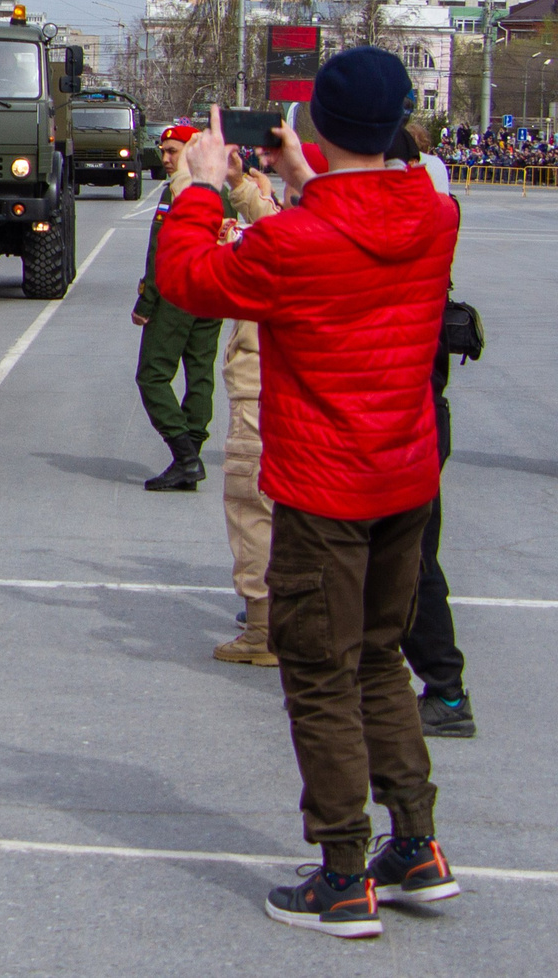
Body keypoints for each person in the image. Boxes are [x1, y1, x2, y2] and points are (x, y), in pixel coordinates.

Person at [158, 49, 462, 938]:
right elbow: (364, 224)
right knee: (378, 658)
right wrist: (307, 180)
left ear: (320, 124)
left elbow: (190, 280)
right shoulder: (436, 214)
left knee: (320, 676)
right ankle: (416, 843)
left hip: (325, 485)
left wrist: (200, 189)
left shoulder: (294, 243)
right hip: (403, 473)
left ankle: (340, 870)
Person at [391, 121, 473, 740]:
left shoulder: (419, 230)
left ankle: (445, 691)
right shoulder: (428, 223)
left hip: (407, 425)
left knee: (412, 559)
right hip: (407, 419)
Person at [132, 123, 229, 491]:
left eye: (174, 150)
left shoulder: (181, 191)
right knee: (200, 372)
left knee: (152, 375)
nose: (166, 158)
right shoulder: (216, 187)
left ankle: (185, 455)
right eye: (163, 150)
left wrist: (147, 300)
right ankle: (190, 456)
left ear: (192, 149)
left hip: (177, 296)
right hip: (212, 292)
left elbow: (163, 251)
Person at [214, 160, 283, 667]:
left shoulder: (284, 240)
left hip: (258, 388)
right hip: (293, 393)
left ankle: (263, 629)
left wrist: (228, 186)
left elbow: (192, 278)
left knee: (251, 509)